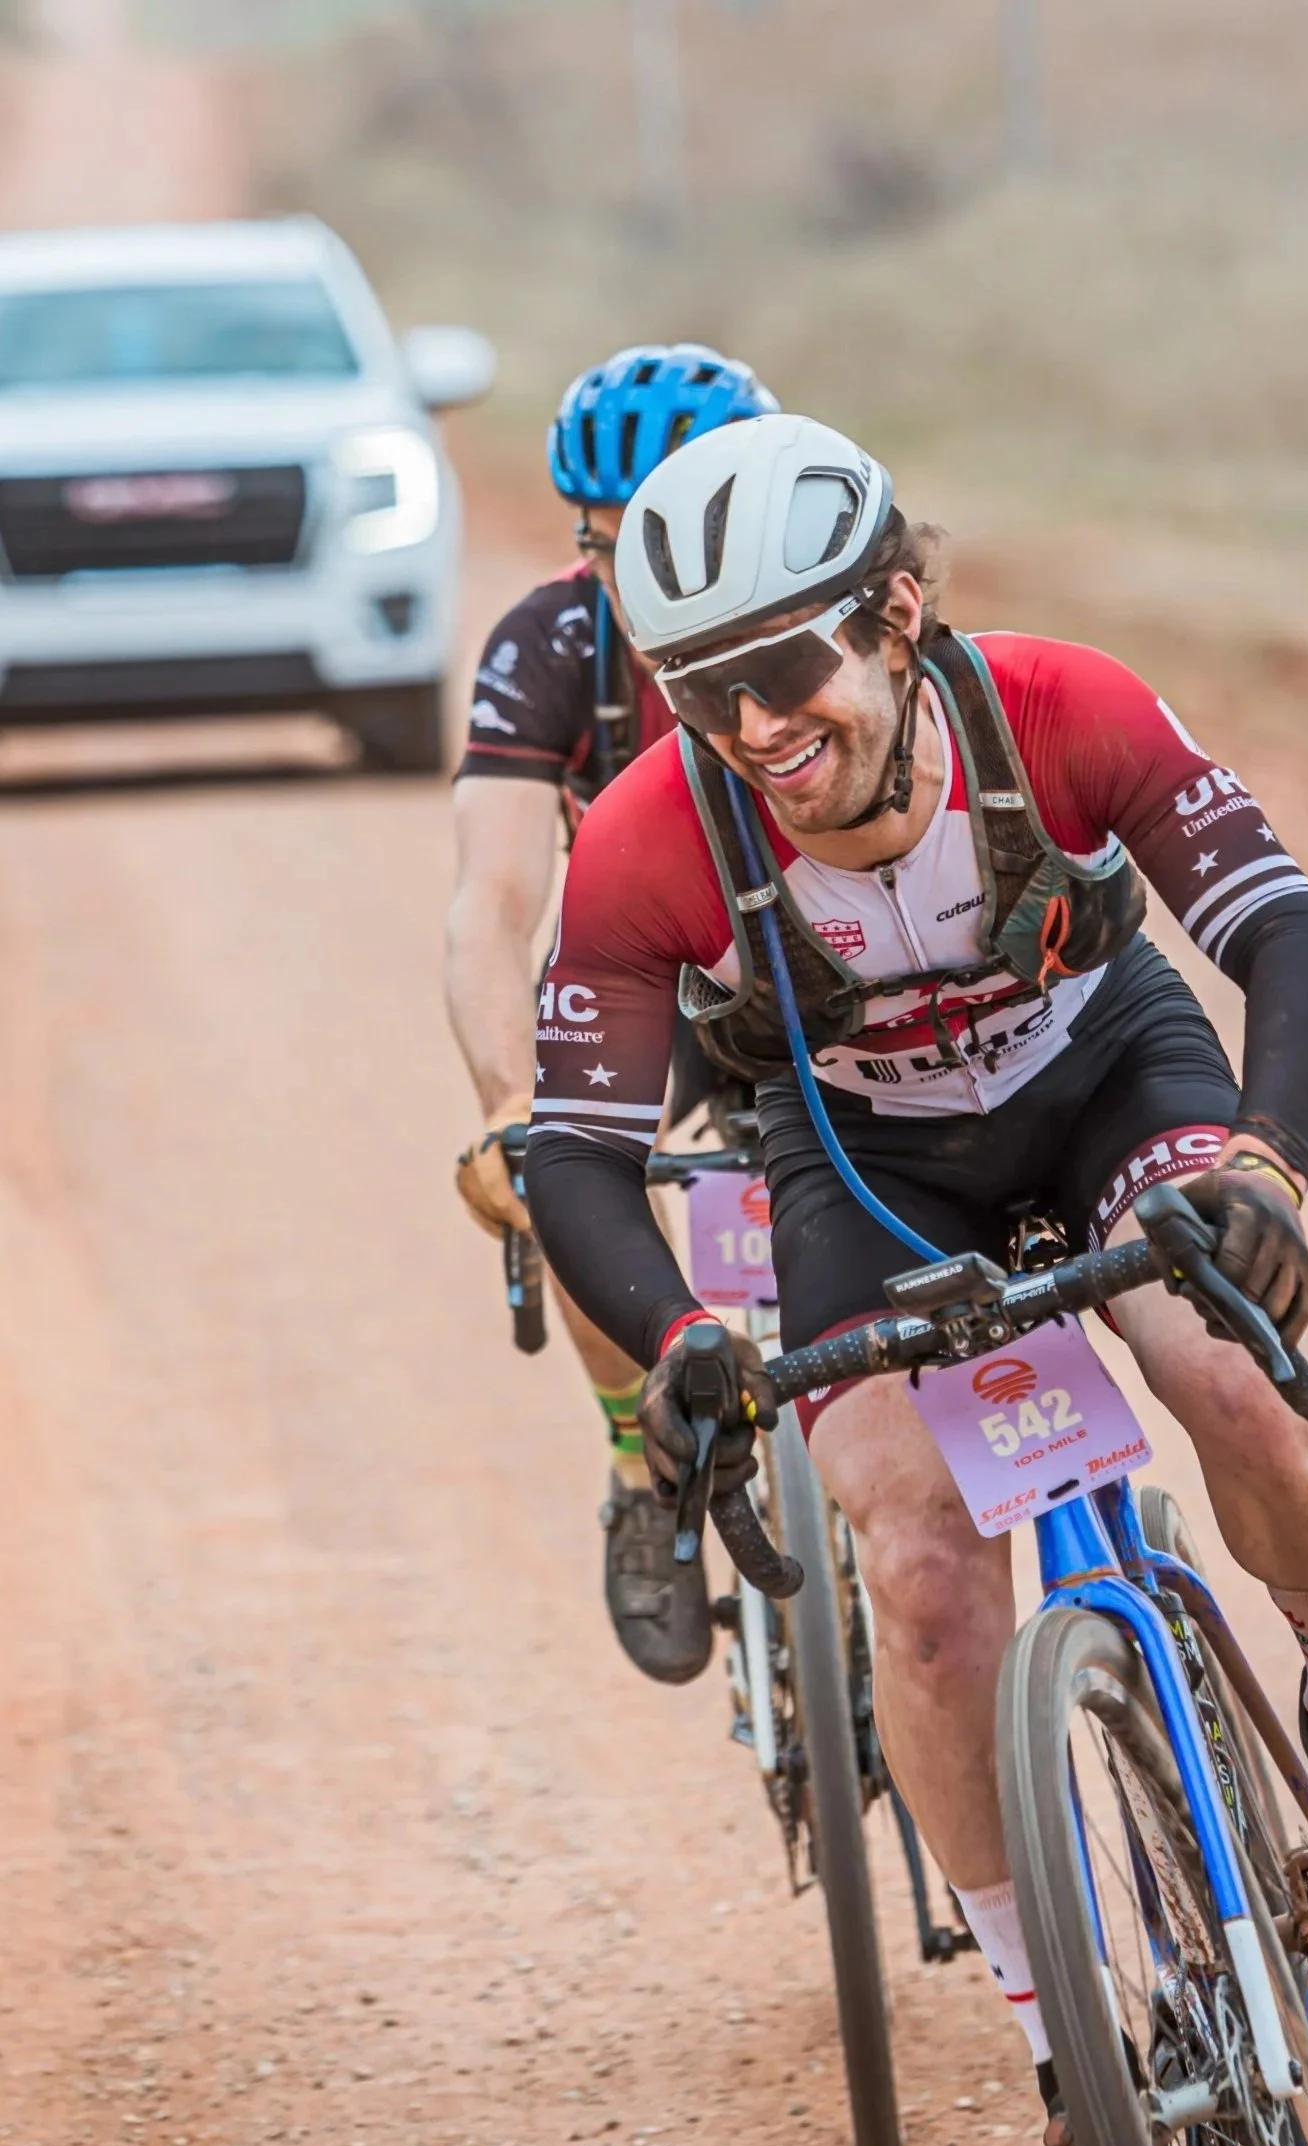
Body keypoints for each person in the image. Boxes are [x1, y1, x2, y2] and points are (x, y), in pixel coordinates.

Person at [520, 411, 1308, 2146]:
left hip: (1103, 1074)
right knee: (925, 1581)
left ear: (893, 614)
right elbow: (575, 1157)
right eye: (698, 688)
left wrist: (1266, 1169)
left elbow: (1294, 948)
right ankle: (1070, 2071)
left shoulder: (1058, 707)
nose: (751, 726)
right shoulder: (658, 837)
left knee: (1228, 1380)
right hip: (860, 1160)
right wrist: (678, 1345)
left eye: (783, 668)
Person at [445, 342, 776, 1685]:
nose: (621, 575)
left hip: (822, 971)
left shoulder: (813, 620)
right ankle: (640, 1468)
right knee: (568, 1161)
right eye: (600, 541)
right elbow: (492, 902)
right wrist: (506, 1103)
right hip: (649, 975)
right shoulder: (550, 641)